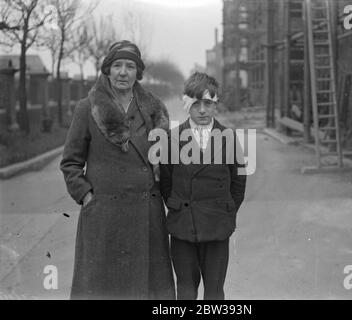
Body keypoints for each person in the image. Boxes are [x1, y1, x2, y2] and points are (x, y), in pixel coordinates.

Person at [60, 40, 174, 300]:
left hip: (147, 215)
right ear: (107, 71)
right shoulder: (87, 108)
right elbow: (70, 163)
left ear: (138, 72)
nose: (123, 72)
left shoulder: (154, 110)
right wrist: (87, 196)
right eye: (117, 65)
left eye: (130, 66)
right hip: (104, 216)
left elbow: (166, 162)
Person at [160, 72, 247, 300]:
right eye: (196, 103)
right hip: (182, 226)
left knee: (214, 292)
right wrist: (180, 207)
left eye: (208, 103)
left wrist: (223, 210)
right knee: (186, 289)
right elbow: (167, 183)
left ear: (215, 105)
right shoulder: (171, 139)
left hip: (217, 226)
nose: (201, 110)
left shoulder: (227, 136)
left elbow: (238, 183)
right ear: (187, 104)